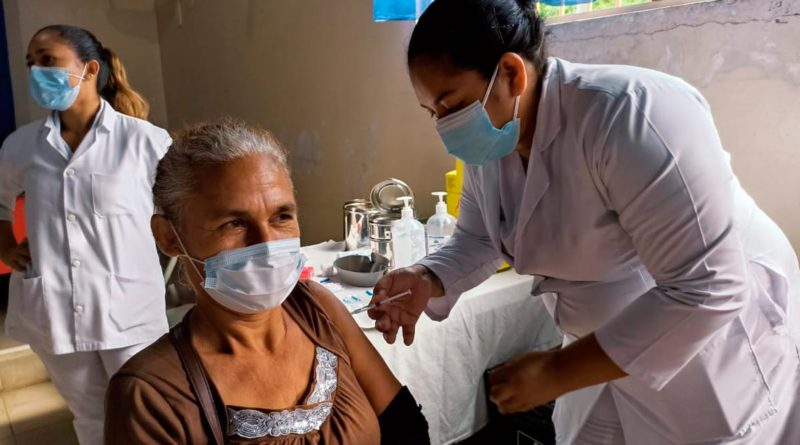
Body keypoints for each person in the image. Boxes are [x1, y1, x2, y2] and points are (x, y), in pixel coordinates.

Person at [368, 0, 800, 443]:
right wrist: (428, 276)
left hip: (705, 351)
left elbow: (710, 287)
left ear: (512, 74)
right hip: (597, 350)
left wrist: (556, 370)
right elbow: (480, 237)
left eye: (452, 105)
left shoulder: (630, 115)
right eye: (432, 112)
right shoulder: (495, 143)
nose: (445, 126)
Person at [104, 118, 430, 444]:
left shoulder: (315, 307)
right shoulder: (150, 397)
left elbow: (405, 428)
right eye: (234, 223)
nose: (266, 244)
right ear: (168, 237)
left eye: (281, 216)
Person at [0, 25, 170, 445]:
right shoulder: (22, 146)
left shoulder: (145, 141)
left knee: (145, 412)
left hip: (128, 308)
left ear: (90, 68)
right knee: (90, 416)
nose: (37, 72)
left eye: (48, 60)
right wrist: (5, 244)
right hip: (55, 310)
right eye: (31, 63)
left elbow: (178, 211)